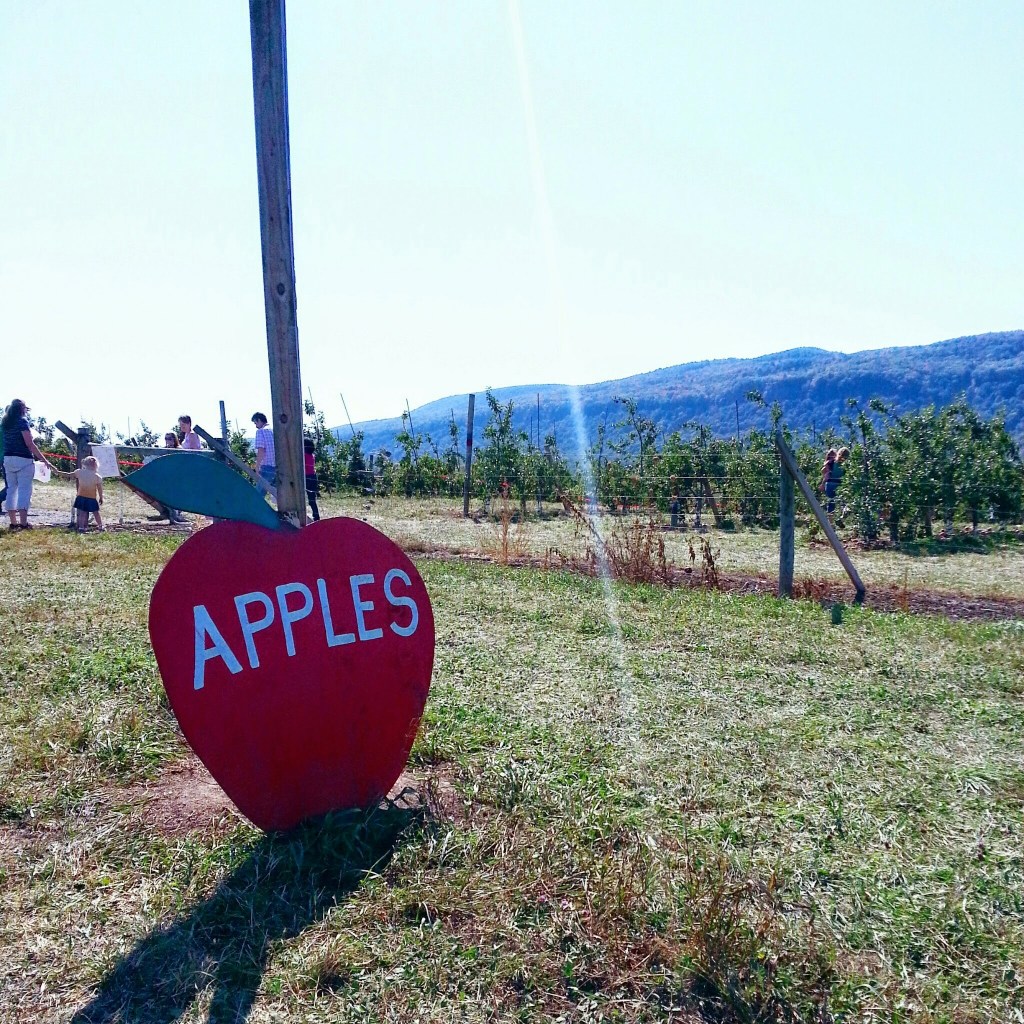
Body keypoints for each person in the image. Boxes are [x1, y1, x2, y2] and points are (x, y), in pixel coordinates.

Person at [2, 398, 48, 530]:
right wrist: (44, 460)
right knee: (24, 490)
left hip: (8, 458)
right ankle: (23, 523)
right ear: (22, 409)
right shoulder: (22, 421)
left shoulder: (5, 423)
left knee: (11, 490)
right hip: (23, 459)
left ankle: (13, 522)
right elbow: (29, 443)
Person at [71, 455, 104, 532]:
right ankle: (100, 526)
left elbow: (69, 474)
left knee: (83, 512)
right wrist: (101, 497)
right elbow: (100, 489)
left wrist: (57, 472)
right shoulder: (97, 476)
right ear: (96, 465)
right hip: (91, 497)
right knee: (96, 513)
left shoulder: (79, 472)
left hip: (82, 496)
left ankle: (81, 527)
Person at [163, 431, 187, 524]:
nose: (168, 441)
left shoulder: (178, 448)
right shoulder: (164, 449)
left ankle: (176, 516)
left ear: (174, 439)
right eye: (166, 438)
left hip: (178, 477)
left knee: (177, 498)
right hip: (168, 477)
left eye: (170, 438)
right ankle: (172, 516)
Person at [251, 412, 276, 498]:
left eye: (255, 423)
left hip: (267, 467)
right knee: (279, 495)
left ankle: (254, 511)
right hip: (279, 466)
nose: (256, 426)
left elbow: (261, 450)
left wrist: (257, 467)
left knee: (258, 495)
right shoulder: (274, 430)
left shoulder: (260, 431)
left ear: (259, 420)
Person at [824, 447, 849, 516]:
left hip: (829, 484)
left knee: (831, 504)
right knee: (843, 502)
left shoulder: (831, 462)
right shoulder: (846, 465)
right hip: (839, 484)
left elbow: (825, 468)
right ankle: (842, 516)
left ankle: (830, 524)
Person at [304, 437, 321, 522]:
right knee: (312, 500)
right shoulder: (311, 455)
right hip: (313, 477)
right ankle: (316, 516)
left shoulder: (303, 456)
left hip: (306, 478)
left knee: (303, 498)